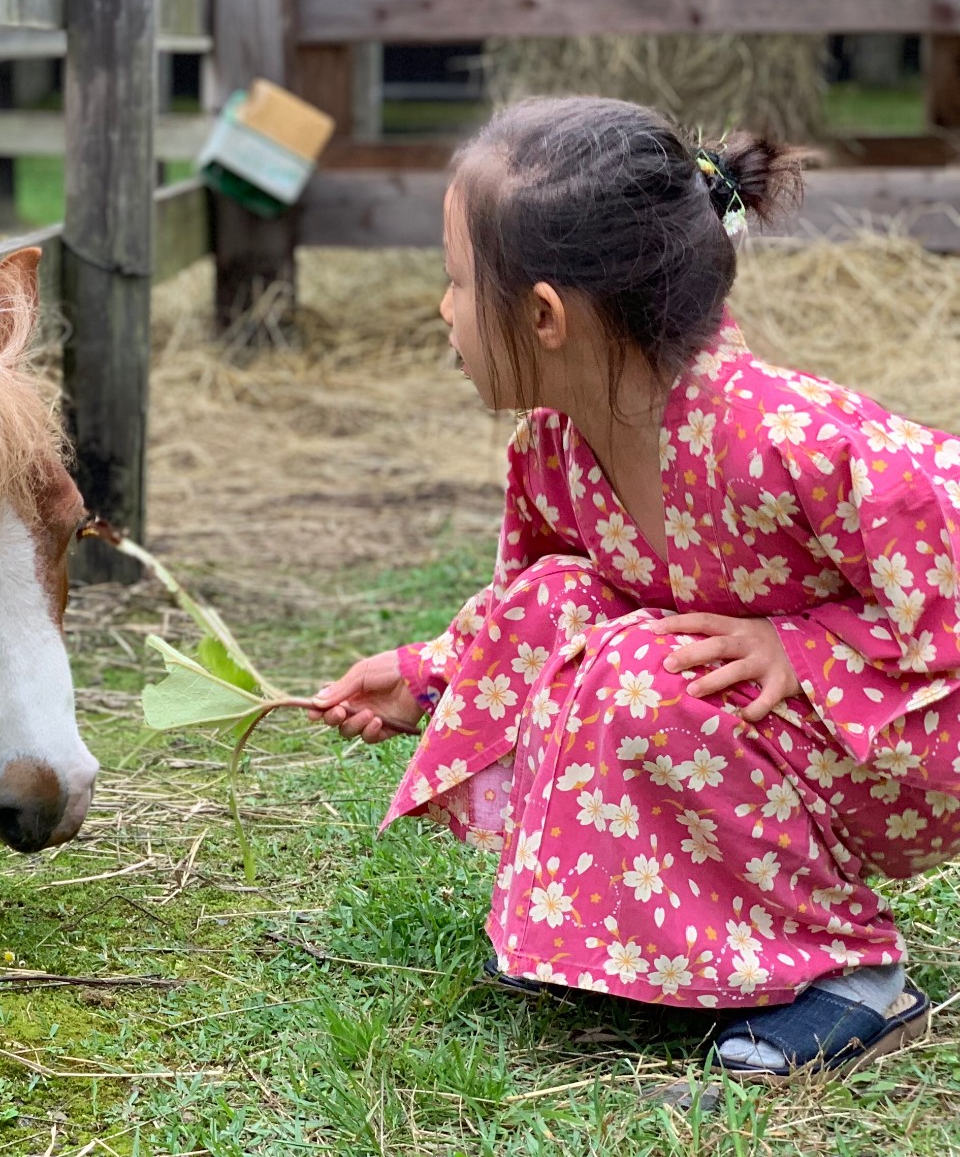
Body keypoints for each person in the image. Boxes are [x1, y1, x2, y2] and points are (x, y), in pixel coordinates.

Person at [311, 97, 954, 1079]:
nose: (440, 310)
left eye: (452, 284)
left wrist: (806, 646)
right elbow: (536, 610)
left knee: (639, 671)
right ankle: (647, 938)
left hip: (888, 736)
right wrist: (430, 674)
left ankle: (851, 974)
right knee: (565, 607)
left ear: (542, 316)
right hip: (774, 737)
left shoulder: (776, 435)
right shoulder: (558, 450)